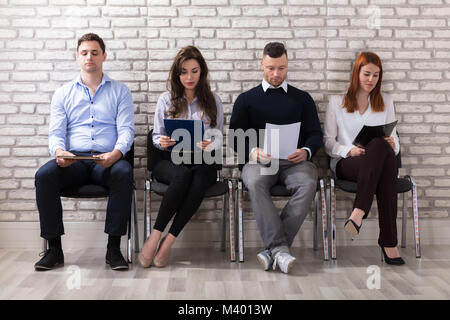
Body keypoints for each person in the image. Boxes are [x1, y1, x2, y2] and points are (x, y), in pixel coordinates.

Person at [34, 33, 135, 271]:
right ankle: (54, 249)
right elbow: (56, 133)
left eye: (95, 52)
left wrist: (116, 154)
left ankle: (113, 249)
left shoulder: (120, 92)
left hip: (106, 160)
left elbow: (127, 131)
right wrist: (60, 151)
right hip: (74, 161)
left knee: (124, 172)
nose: (89, 57)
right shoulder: (63, 93)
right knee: (44, 175)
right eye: (84, 53)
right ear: (77, 57)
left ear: (104, 56)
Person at [229, 42, 323, 274]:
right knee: (254, 182)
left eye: (281, 68)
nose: (276, 74)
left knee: (309, 182)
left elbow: (315, 134)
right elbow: (234, 138)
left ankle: (274, 250)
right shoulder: (246, 99)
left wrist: (307, 151)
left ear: (287, 65)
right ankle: (280, 249)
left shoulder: (302, 99)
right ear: (262, 64)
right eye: (271, 68)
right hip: (259, 163)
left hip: (295, 163)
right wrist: (253, 151)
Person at [138, 46, 224, 268]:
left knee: (196, 178)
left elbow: (219, 135)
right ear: (177, 74)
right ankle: (156, 236)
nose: (189, 77)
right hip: (170, 160)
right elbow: (157, 135)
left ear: (202, 72)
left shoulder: (213, 100)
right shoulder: (166, 100)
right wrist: (162, 141)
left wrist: (211, 142)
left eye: (194, 71)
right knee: (184, 175)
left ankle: (168, 241)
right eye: (184, 72)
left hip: (203, 161)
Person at [323, 51, 404, 265]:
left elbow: (393, 141)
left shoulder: (386, 101)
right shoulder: (336, 102)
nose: (371, 80)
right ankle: (389, 243)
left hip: (378, 163)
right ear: (356, 73)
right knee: (382, 155)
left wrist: (393, 145)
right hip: (348, 163)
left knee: (381, 146)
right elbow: (328, 142)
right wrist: (349, 150)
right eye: (367, 74)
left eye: (376, 76)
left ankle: (359, 212)